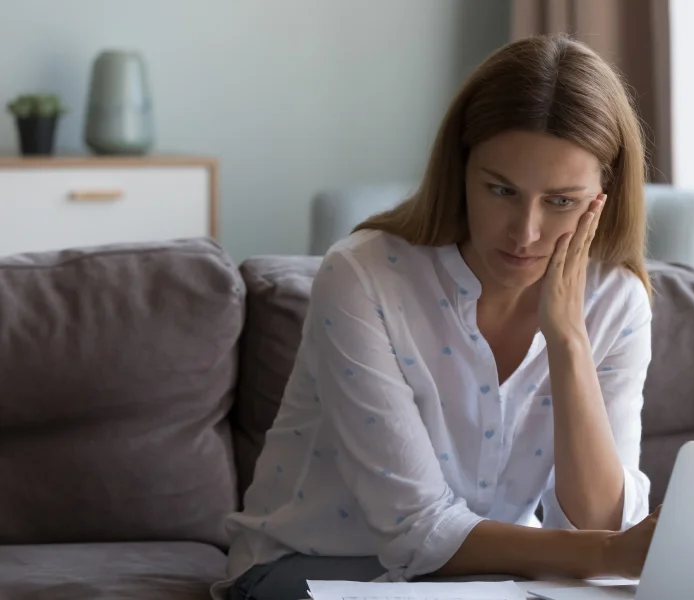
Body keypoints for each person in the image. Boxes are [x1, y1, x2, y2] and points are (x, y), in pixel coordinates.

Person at [213, 34, 659, 600]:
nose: (525, 233)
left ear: (605, 193)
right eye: (501, 190)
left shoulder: (618, 304)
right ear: (461, 169)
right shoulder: (364, 275)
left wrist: (568, 341)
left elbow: (602, 525)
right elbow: (414, 528)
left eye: (561, 202)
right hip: (313, 565)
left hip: (492, 579)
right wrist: (602, 552)